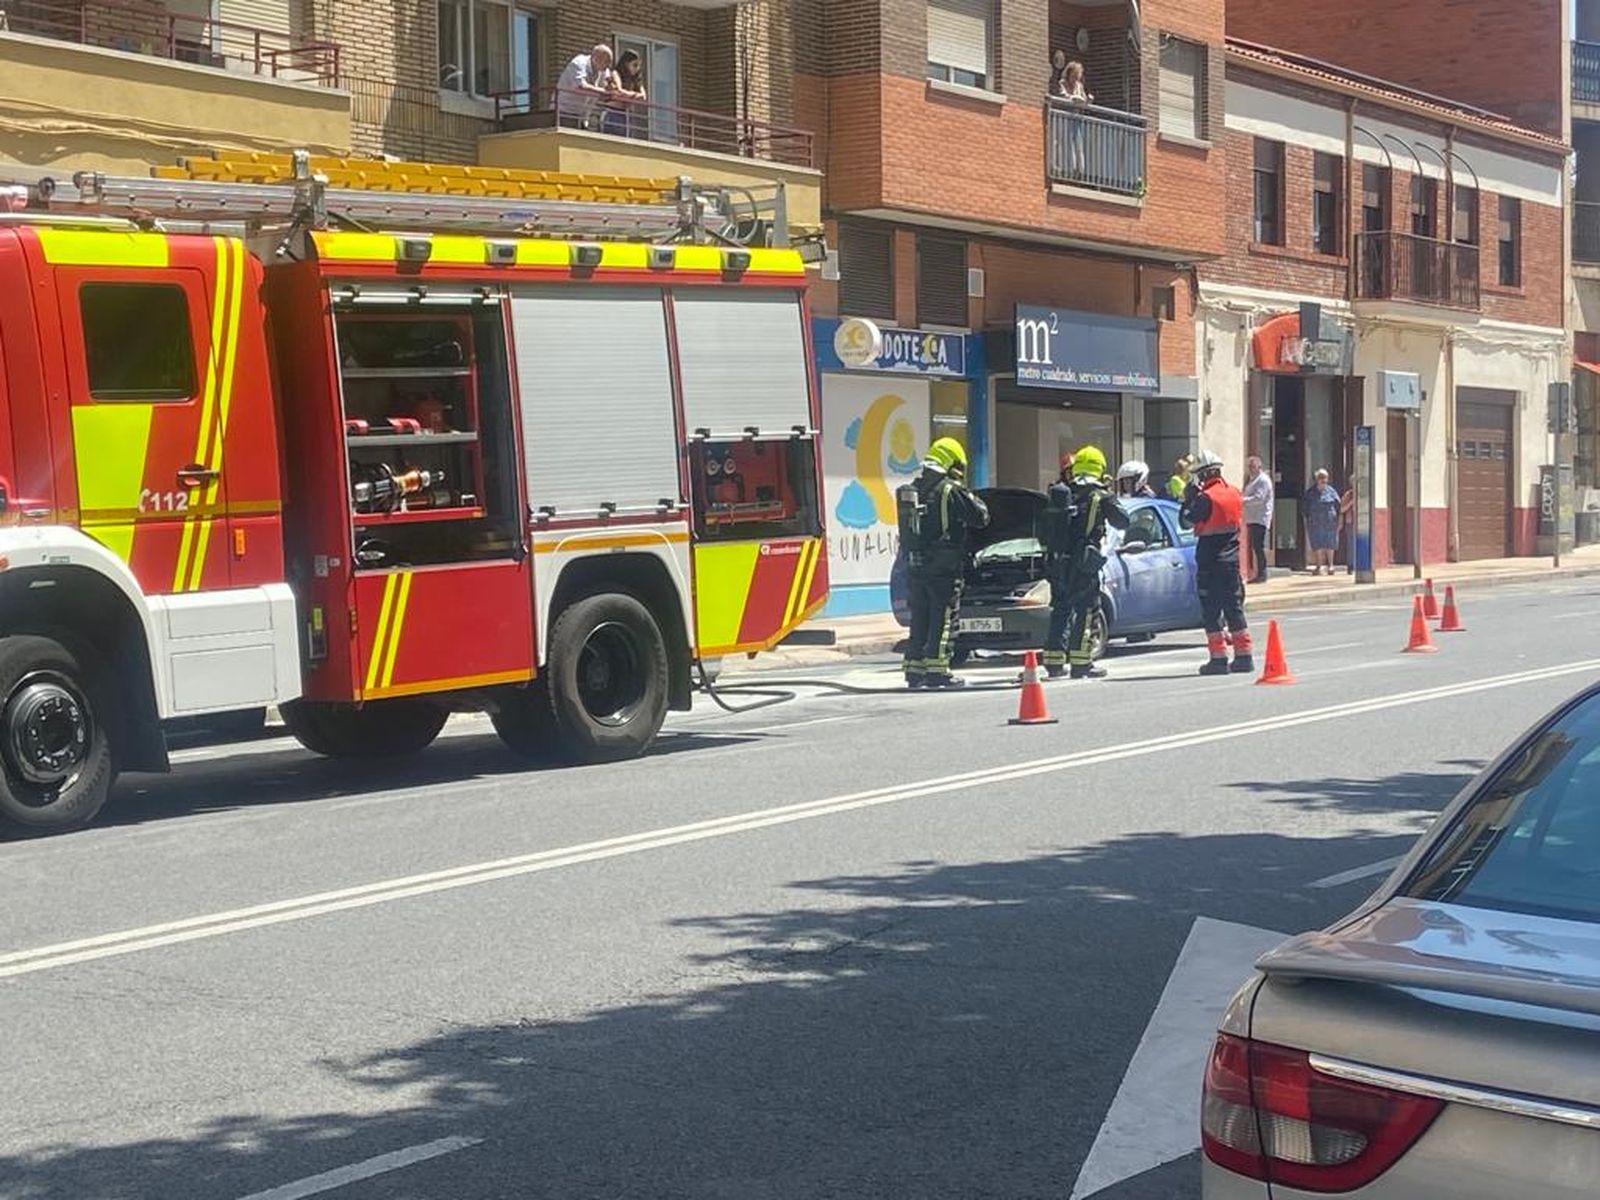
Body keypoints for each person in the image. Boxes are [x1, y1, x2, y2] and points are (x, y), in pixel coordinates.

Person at [897, 437, 989, 690]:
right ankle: (938, 671)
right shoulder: (950, 489)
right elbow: (980, 517)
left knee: (921, 618)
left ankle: (914, 672)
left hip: (916, 567)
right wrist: (965, 489)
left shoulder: (914, 489)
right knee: (943, 617)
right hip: (944, 568)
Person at [1043, 446, 1128, 680]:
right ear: (1100, 469)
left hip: (1058, 561)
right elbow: (1123, 521)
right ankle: (1082, 663)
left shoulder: (1062, 492)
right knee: (1086, 609)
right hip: (1083, 562)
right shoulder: (1100, 495)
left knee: (1060, 609)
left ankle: (1054, 663)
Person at [1181, 450, 1254, 676]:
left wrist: (1188, 500)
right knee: (1234, 608)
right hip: (1231, 562)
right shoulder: (1234, 493)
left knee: (1211, 612)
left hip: (1210, 563)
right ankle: (1244, 656)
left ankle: (1218, 659)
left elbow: (1186, 521)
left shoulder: (1205, 498)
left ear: (1203, 474)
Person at [557, 44, 615, 129]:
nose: (608, 65)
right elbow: (579, 86)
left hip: (582, 116)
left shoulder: (604, 70)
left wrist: (611, 87)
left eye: (610, 62)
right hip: (564, 113)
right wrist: (602, 91)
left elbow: (607, 89)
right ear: (596, 58)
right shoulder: (579, 63)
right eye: (606, 61)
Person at [1302, 468, 1341, 576]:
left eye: (1325, 478)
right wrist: (1307, 522)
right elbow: (1305, 509)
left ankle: (1331, 565)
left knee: (1330, 544)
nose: (1323, 480)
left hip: (1330, 522)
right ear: (1316, 479)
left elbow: (1339, 507)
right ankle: (1318, 566)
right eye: (1320, 477)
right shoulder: (1310, 493)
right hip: (1315, 523)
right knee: (1317, 544)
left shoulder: (1332, 491)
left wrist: (1340, 521)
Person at [1242, 455, 1274, 585]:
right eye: (1249, 467)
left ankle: (1262, 573)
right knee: (1254, 547)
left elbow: (1259, 498)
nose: (1250, 469)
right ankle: (1255, 572)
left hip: (1260, 518)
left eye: (1252, 466)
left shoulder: (1263, 480)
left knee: (1258, 546)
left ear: (1259, 467)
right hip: (1251, 518)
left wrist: (1242, 501)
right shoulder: (1252, 479)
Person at [603, 49, 647, 137]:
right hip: (612, 112)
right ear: (626, 64)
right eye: (635, 65)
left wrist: (627, 95)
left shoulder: (635, 79)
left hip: (627, 114)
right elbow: (618, 92)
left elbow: (643, 97)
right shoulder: (616, 73)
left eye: (638, 66)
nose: (637, 69)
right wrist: (634, 96)